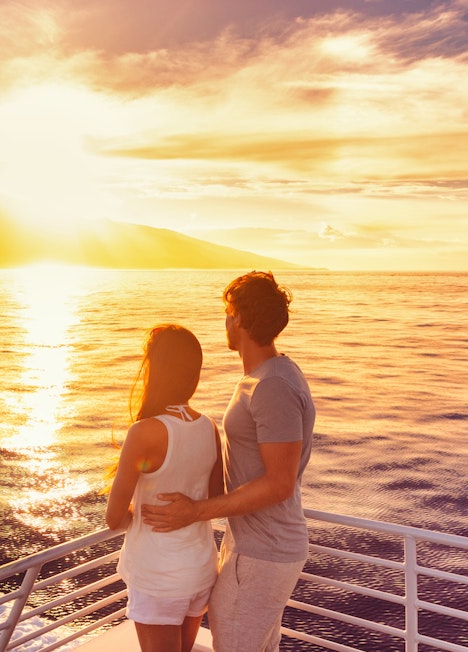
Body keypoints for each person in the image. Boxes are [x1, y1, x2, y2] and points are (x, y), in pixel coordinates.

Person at [141, 271, 315, 652]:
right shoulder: (269, 375)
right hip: (253, 544)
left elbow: (280, 482)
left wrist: (196, 511)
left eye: (227, 312)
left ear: (239, 318)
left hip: (263, 551)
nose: (224, 321)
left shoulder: (271, 386)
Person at [105, 324, 225, 652]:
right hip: (199, 570)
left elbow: (114, 518)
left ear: (154, 369)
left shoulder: (144, 432)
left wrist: (139, 512)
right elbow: (214, 500)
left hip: (160, 577)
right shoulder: (208, 427)